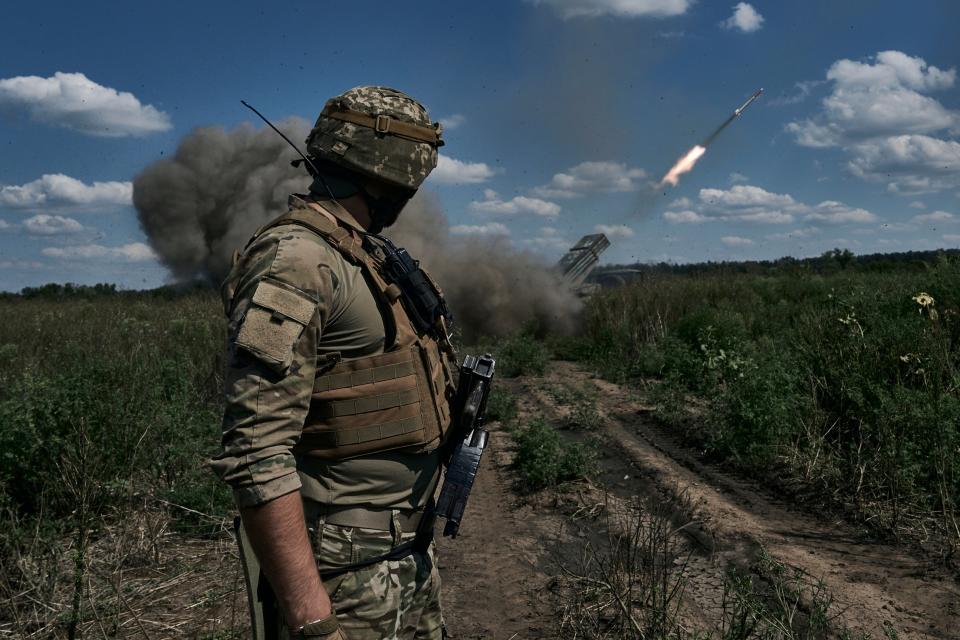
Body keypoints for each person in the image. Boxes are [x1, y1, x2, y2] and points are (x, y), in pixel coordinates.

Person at [210, 86, 457, 640]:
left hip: (402, 554)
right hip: (345, 574)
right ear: (393, 170)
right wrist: (312, 619)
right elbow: (256, 450)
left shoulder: (364, 253)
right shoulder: (298, 261)